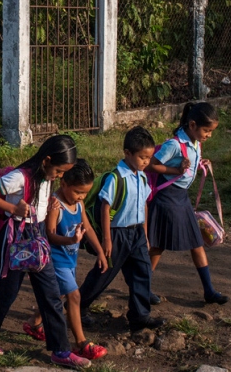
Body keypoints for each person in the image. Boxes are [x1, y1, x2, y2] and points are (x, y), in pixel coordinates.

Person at [0, 135, 91, 370]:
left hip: (38, 237)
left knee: (51, 294)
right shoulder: (20, 177)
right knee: (6, 290)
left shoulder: (47, 176)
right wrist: (13, 207)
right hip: (16, 236)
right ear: (46, 160)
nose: (59, 177)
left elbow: (42, 200)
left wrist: (50, 205)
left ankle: (61, 350)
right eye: (58, 171)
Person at [78, 126, 165, 333]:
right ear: (127, 153)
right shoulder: (115, 178)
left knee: (142, 272)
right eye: (143, 157)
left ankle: (140, 317)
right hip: (117, 233)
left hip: (136, 234)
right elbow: (105, 207)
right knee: (103, 273)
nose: (146, 162)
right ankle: (78, 306)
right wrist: (107, 240)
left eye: (149, 158)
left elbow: (144, 203)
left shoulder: (142, 177)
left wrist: (144, 232)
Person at [24, 159, 108, 360]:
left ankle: (34, 323)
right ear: (64, 184)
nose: (82, 196)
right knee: (74, 296)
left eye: (85, 193)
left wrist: (100, 252)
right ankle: (81, 343)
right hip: (56, 260)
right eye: (78, 192)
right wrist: (71, 239)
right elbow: (50, 234)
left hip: (70, 261)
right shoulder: (56, 205)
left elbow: (87, 228)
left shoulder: (78, 203)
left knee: (58, 295)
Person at [147, 102, 228, 305]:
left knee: (196, 242)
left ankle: (209, 291)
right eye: (207, 130)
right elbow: (151, 164)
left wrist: (200, 163)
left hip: (181, 198)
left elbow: (188, 163)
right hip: (167, 199)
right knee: (158, 244)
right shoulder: (174, 145)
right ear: (192, 124)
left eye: (211, 131)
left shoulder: (195, 142)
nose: (208, 135)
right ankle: (143, 288)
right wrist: (176, 171)